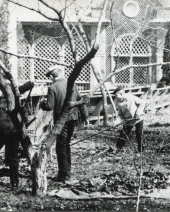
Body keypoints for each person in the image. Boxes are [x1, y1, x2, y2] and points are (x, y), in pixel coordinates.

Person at [40, 43, 98, 183]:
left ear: (52, 77)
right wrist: (85, 116)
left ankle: (64, 175)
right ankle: (67, 171)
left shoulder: (52, 87)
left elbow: (49, 106)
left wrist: (42, 103)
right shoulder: (71, 83)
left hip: (62, 120)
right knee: (66, 144)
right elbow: (81, 100)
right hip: (74, 118)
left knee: (61, 146)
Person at [0, 80, 35, 190]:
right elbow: (23, 110)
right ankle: (14, 183)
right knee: (13, 158)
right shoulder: (11, 102)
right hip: (13, 133)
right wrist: (23, 121)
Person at [113, 86, 146, 152]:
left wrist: (138, 112)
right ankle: (118, 149)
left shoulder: (131, 97)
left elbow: (142, 103)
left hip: (138, 118)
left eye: (116, 95)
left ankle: (141, 150)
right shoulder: (117, 102)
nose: (115, 97)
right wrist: (116, 122)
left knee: (139, 134)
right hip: (128, 120)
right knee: (123, 134)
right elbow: (120, 114)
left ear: (121, 94)